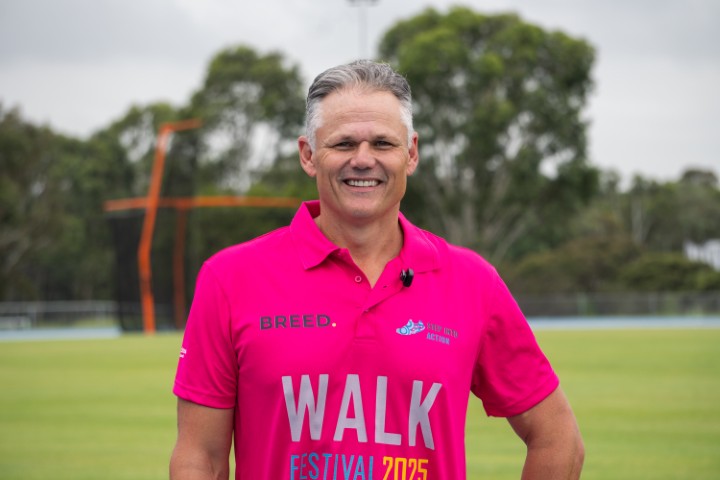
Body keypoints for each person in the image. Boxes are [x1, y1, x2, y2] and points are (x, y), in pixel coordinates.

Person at [169, 59, 584, 479]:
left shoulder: (472, 283)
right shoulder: (231, 278)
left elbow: (557, 437)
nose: (363, 160)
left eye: (383, 144)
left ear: (412, 153)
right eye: (344, 144)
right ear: (308, 155)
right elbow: (200, 457)